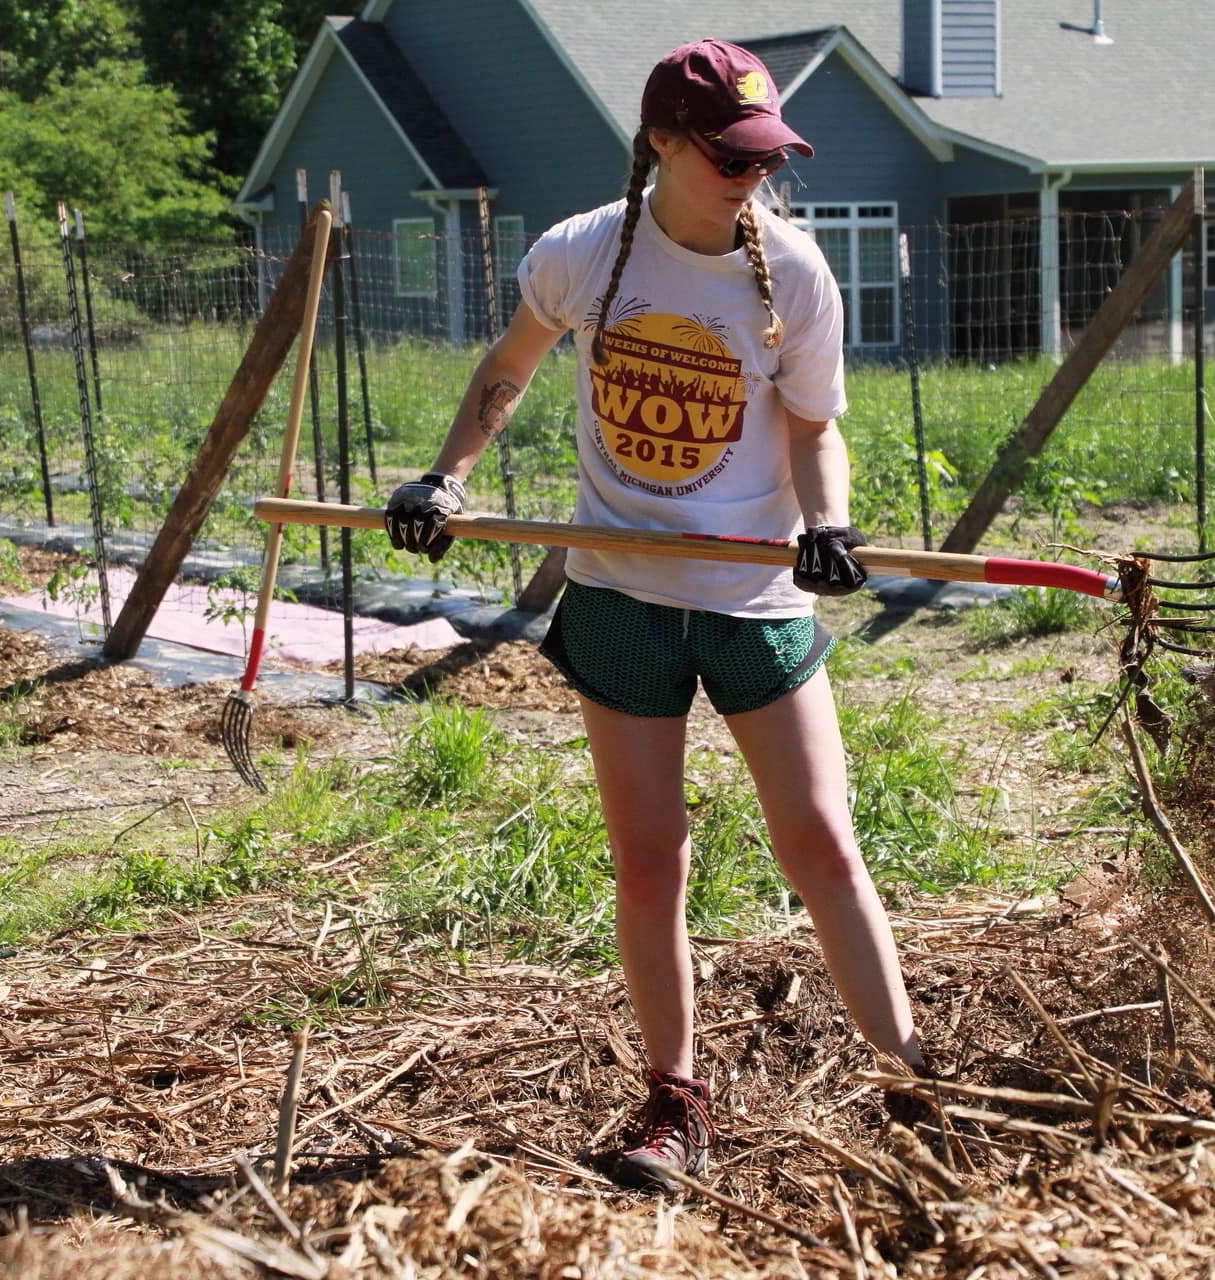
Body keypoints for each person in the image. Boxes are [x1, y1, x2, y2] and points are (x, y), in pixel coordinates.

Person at [385, 38, 931, 1191]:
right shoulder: (585, 253)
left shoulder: (795, 272)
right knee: (650, 862)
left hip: (750, 600)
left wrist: (827, 521)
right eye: (728, 155)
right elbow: (511, 366)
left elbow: (815, 424)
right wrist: (448, 480)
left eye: (762, 155)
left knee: (824, 844)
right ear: (663, 146)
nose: (752, 173)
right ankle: (676, 1099)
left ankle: (915, 1082)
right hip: (623, 598)